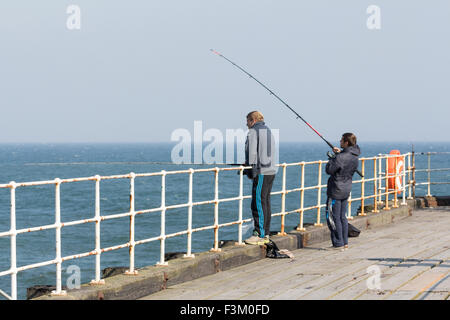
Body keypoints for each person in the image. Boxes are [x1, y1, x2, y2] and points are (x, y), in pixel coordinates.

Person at [243, 111, 277, 245]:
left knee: (258, 202)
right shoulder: (268, 130)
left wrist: (250, 171)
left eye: (247, 121)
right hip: (271, 170)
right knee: (265, 202)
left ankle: (259, 234)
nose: (246, 124)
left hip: (262, 171)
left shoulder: (253, 132)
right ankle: (265, 233)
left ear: (252, 120)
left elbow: (251, 154)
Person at [325, 132, 360, 251]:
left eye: (341, 140)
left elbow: (329, 169)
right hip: (346, 188)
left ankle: (338, 242)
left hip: (335, 189)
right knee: (342, 217)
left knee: (332, 217)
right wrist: (340, 153)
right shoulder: (354, 156)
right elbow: (344, 162)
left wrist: (333, 158)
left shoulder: (340, 157)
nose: (339, 142)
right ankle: (345, 242)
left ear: (346, 142)